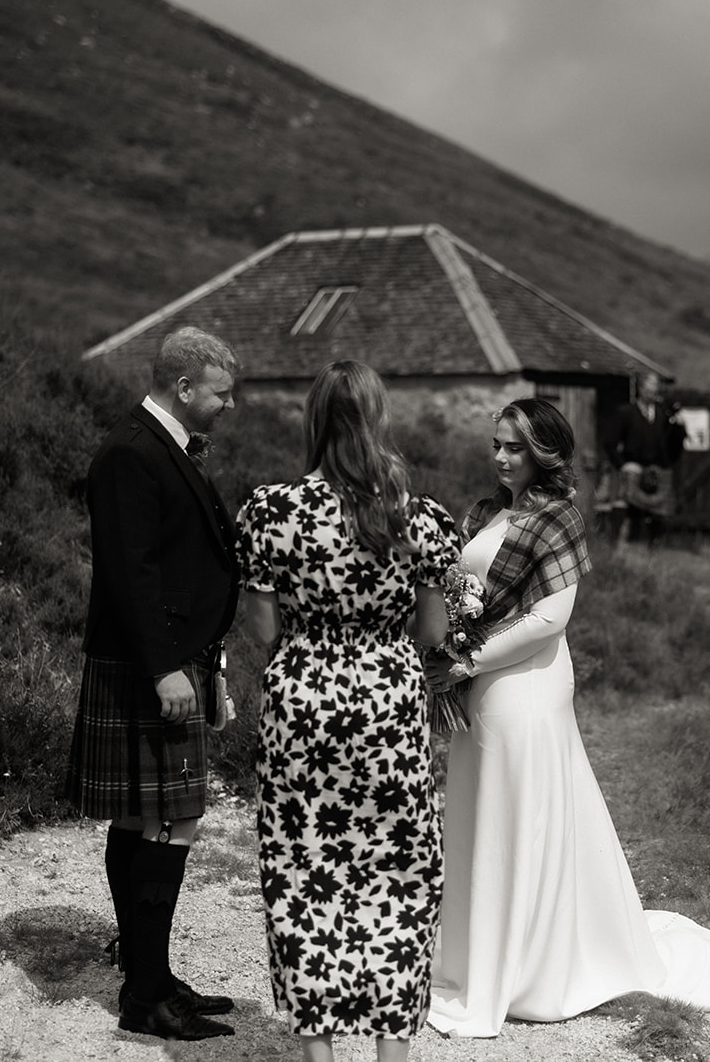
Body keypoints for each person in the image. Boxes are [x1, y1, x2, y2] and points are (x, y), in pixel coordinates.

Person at [425, 399, 710, 1038]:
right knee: (481, 814)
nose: (500, 457)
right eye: (496, 444)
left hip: (524, 683)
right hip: (477, 682)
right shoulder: (486, 510)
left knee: (520, 811)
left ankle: (529, 965)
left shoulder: (560, 518)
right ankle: (480, 955)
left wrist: (464, 664)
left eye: (514, 448)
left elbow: (550, 619)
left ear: (545, 451)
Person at [236, 361, 456, 1062]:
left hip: (304, 700)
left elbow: (264, 632)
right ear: (377, 419)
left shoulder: (272, 512)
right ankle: (392, 1051)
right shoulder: (416, 519)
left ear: (314, 420)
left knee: (305, 871)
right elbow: (430, 634)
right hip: (389, 702)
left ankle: (319, 1053)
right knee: (398, 870)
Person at [64, 326, 241, 1041]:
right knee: (164, 818)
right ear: (184, 386)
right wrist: (167, 665)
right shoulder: (130, 453)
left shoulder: (166, 447)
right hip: (151, 663)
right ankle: (144, 995)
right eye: (222, 393)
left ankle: (152, 976)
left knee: (145, 817)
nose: (230, 405)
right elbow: (129, 570)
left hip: (173, 655)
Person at [601, 371, 686, 548]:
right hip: (633, 470)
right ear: (641, 389)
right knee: (628, 510)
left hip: (657, 471)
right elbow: (609, 443)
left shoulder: (664, 415)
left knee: (657, 515)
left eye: (655, 388)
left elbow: (674, 447)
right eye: (650, 388)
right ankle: (622, 548)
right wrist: (623, 465)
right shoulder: (626, 412)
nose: (653, 392)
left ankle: (653, 550)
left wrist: (679, 427)